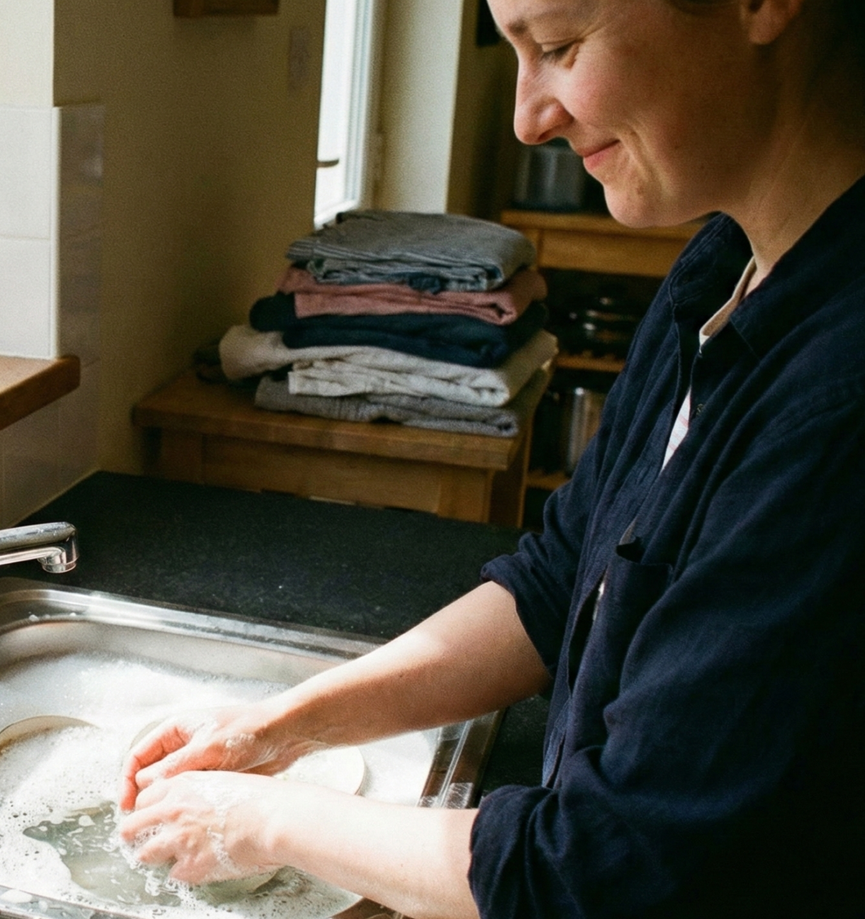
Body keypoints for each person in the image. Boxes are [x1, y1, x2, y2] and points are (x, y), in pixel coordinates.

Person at [116, 1, 865, 917]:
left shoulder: (838, 399)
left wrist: (260, 821)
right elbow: (556, 583)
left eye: (557, 48)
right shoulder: (726, 264)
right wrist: (276, 725)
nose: (527, 117)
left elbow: (604, 864)